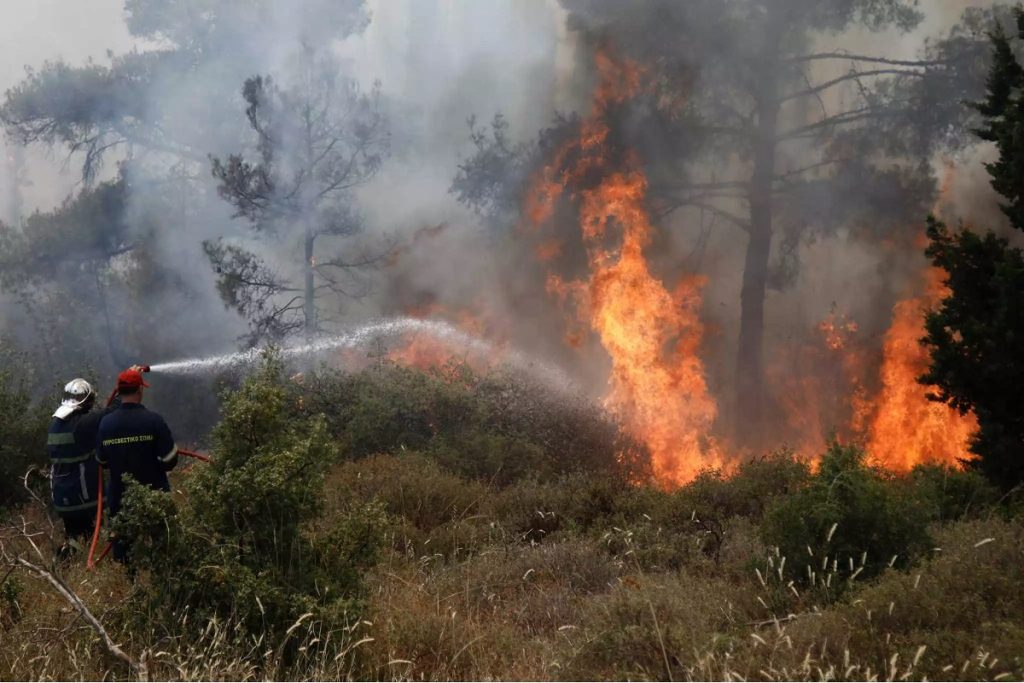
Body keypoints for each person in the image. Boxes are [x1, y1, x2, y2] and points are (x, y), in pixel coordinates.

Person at [96, 367, 178, 561]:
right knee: (163, 546)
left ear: (119, 392)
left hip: (120, 498)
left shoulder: (106, 424)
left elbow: (101, 460)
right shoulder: (154, 421)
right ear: (140, 390)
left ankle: (129, 583)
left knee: (124, 551)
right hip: (155, 495)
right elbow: (170, 460)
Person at [47, 378, 114, 553]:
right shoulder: (81, 424)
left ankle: (63, 562)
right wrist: (126, 383)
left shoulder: (56, 424)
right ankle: (80, 563)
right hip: (83, 496)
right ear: (86, 401)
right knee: (93, 535)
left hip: (62, 496)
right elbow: (114, 410)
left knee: (74, 536)